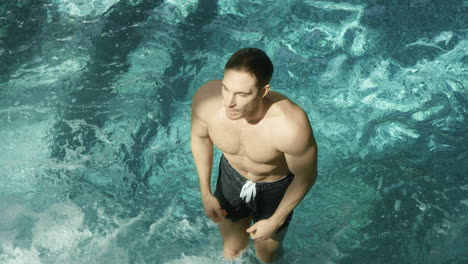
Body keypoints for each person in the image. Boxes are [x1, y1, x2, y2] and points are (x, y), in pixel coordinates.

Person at [191, 48, 317, 263]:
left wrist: (276, 220)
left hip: (274, 188)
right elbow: (200, 138)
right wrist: (205, 192)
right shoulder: (207, 102)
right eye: (225, 88)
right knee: (232, 251)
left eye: (242, 94)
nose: (229, 102)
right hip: (232, 177)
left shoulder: (289, 125)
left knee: (267, 255)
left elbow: (306, 176)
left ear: (263, 91)